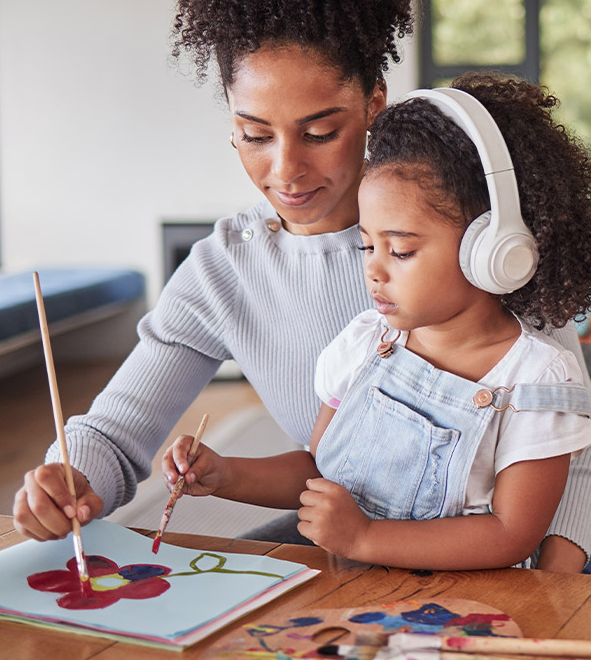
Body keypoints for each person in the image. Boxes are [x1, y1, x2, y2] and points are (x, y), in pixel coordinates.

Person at [12, 0, 591, 571]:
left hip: (519, 553)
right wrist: (70, 479)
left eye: (321, 131)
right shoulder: (224, 269)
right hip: (354, 531)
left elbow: (570, 457)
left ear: (374, 103)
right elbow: (114, 435)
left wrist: (554, 589)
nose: (286, 170)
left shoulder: (475, 240)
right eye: (254, 134)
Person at [161, 73, 591, 570]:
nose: (373, 268)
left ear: (491, 251)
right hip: (354, 587)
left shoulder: (535, 379)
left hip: (470, 600)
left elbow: (511, 533)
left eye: (402, 250)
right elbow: (320, 472)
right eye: (367, 245)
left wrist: (364, 537)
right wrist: (227, 475)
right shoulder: (367, 343)